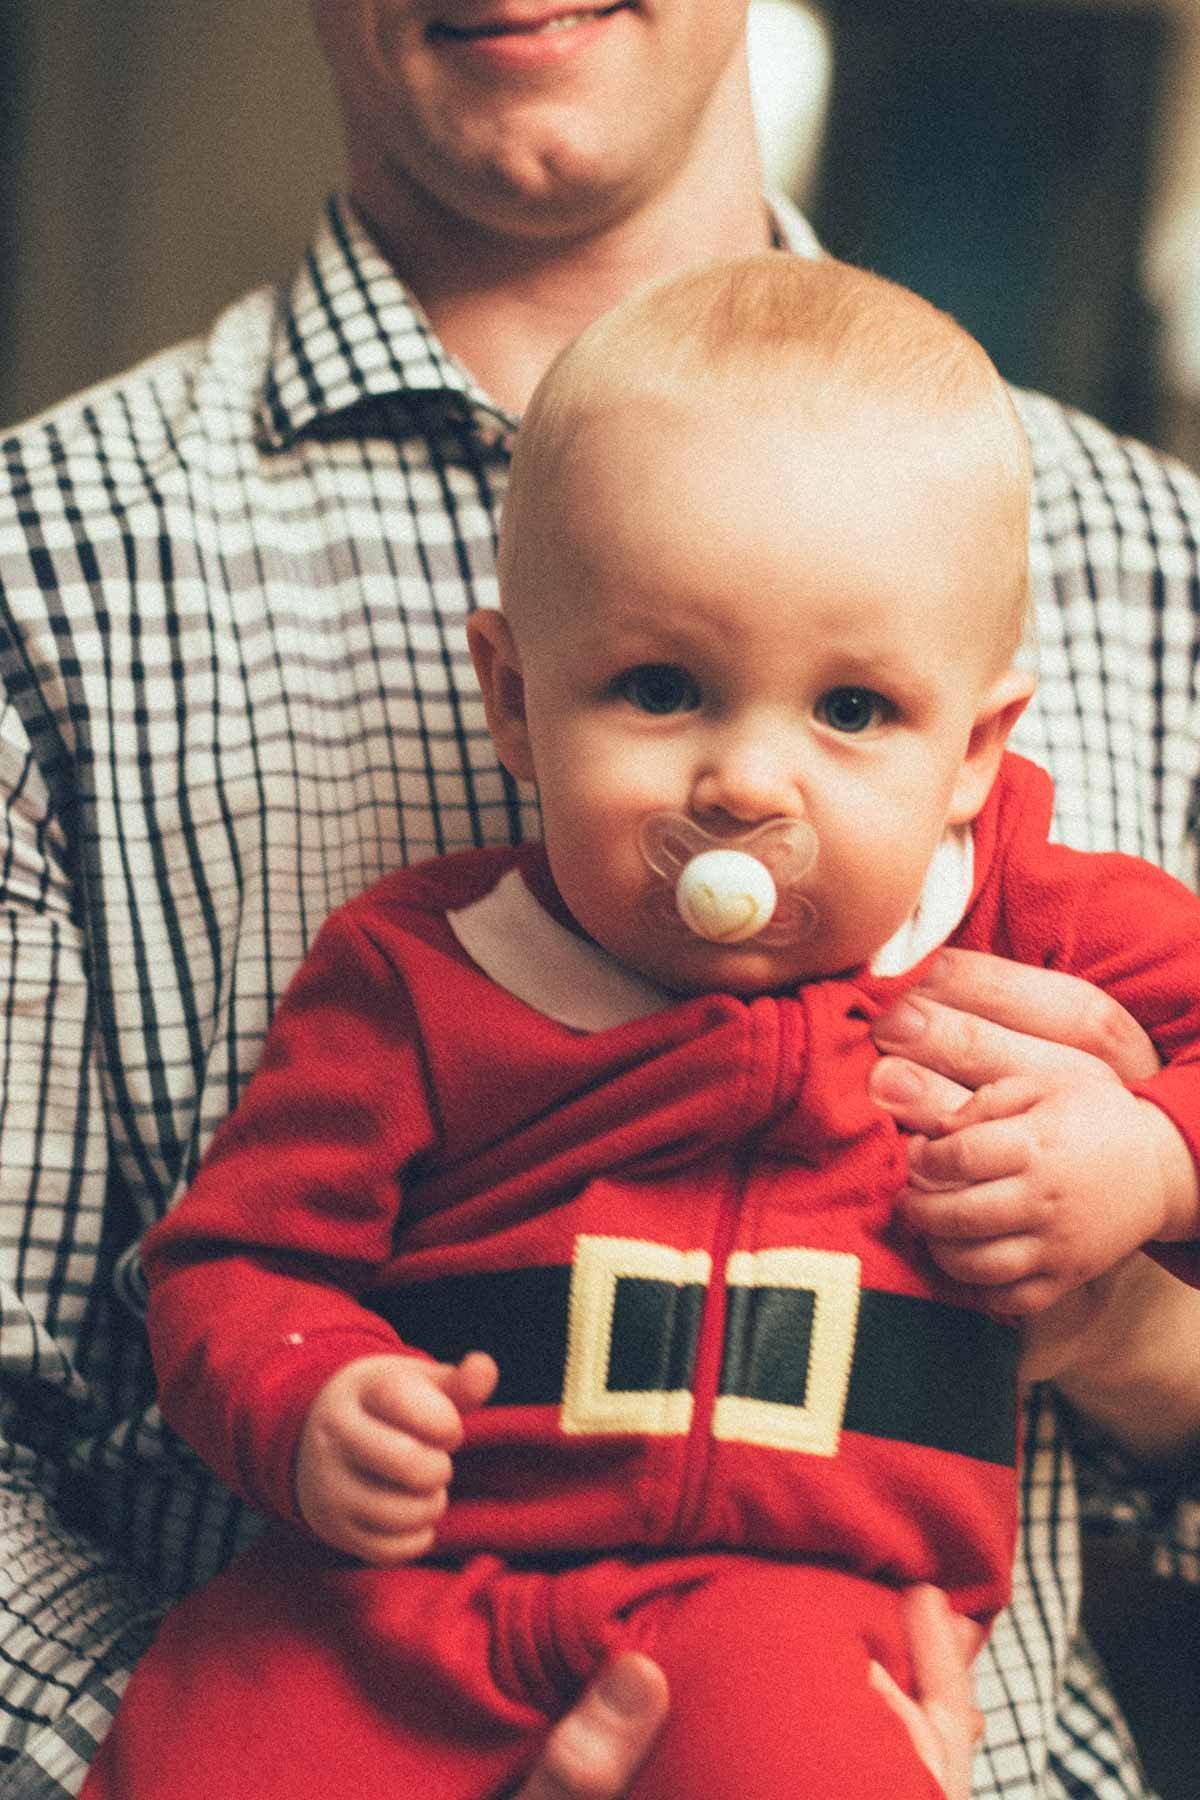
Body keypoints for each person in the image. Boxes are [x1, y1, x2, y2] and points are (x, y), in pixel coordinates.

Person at [0, 3, 1196, 1795]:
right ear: (513, 699)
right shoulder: (405, 945)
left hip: (833, 1641)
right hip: (405, 1614)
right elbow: (245, 1262)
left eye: (855, 710)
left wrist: (1142, 1230)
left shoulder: (1144, 588)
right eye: (653, 690)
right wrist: (314, 1397)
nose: (744, 783)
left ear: (971, 748)